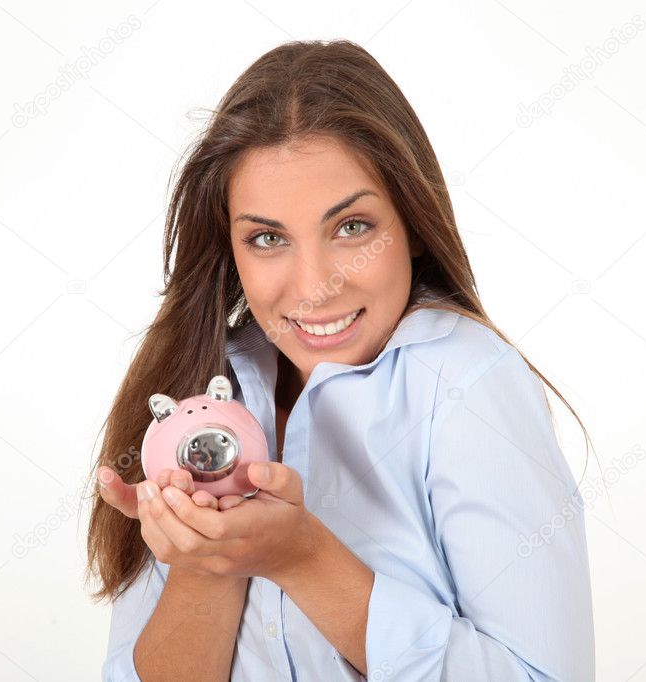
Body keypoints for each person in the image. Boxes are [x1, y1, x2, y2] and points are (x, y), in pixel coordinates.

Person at [87, 39, 595, 681]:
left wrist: (302, 558)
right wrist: (207, 560)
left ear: (411, 224)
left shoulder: (467, 383)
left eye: (351, 227)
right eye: (267, 239)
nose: (314, 286)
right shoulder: (200, 392)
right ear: (231, 250)